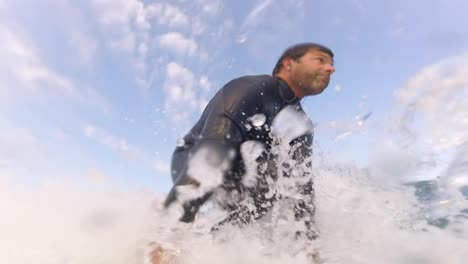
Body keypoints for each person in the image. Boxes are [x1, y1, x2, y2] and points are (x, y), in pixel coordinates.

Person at [163, 42, 335, 243]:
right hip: (193, 157)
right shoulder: (252, 88)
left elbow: (303, 189)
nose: (331, 68)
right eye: (320, 60)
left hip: (244, 177)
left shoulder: (302, 125)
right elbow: (213, 150)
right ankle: (163, 242)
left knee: (280, 183)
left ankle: (215, 245)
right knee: (226, 156)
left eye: (331, 64)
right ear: (289, 64)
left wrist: (309, 248)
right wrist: (168, 239)